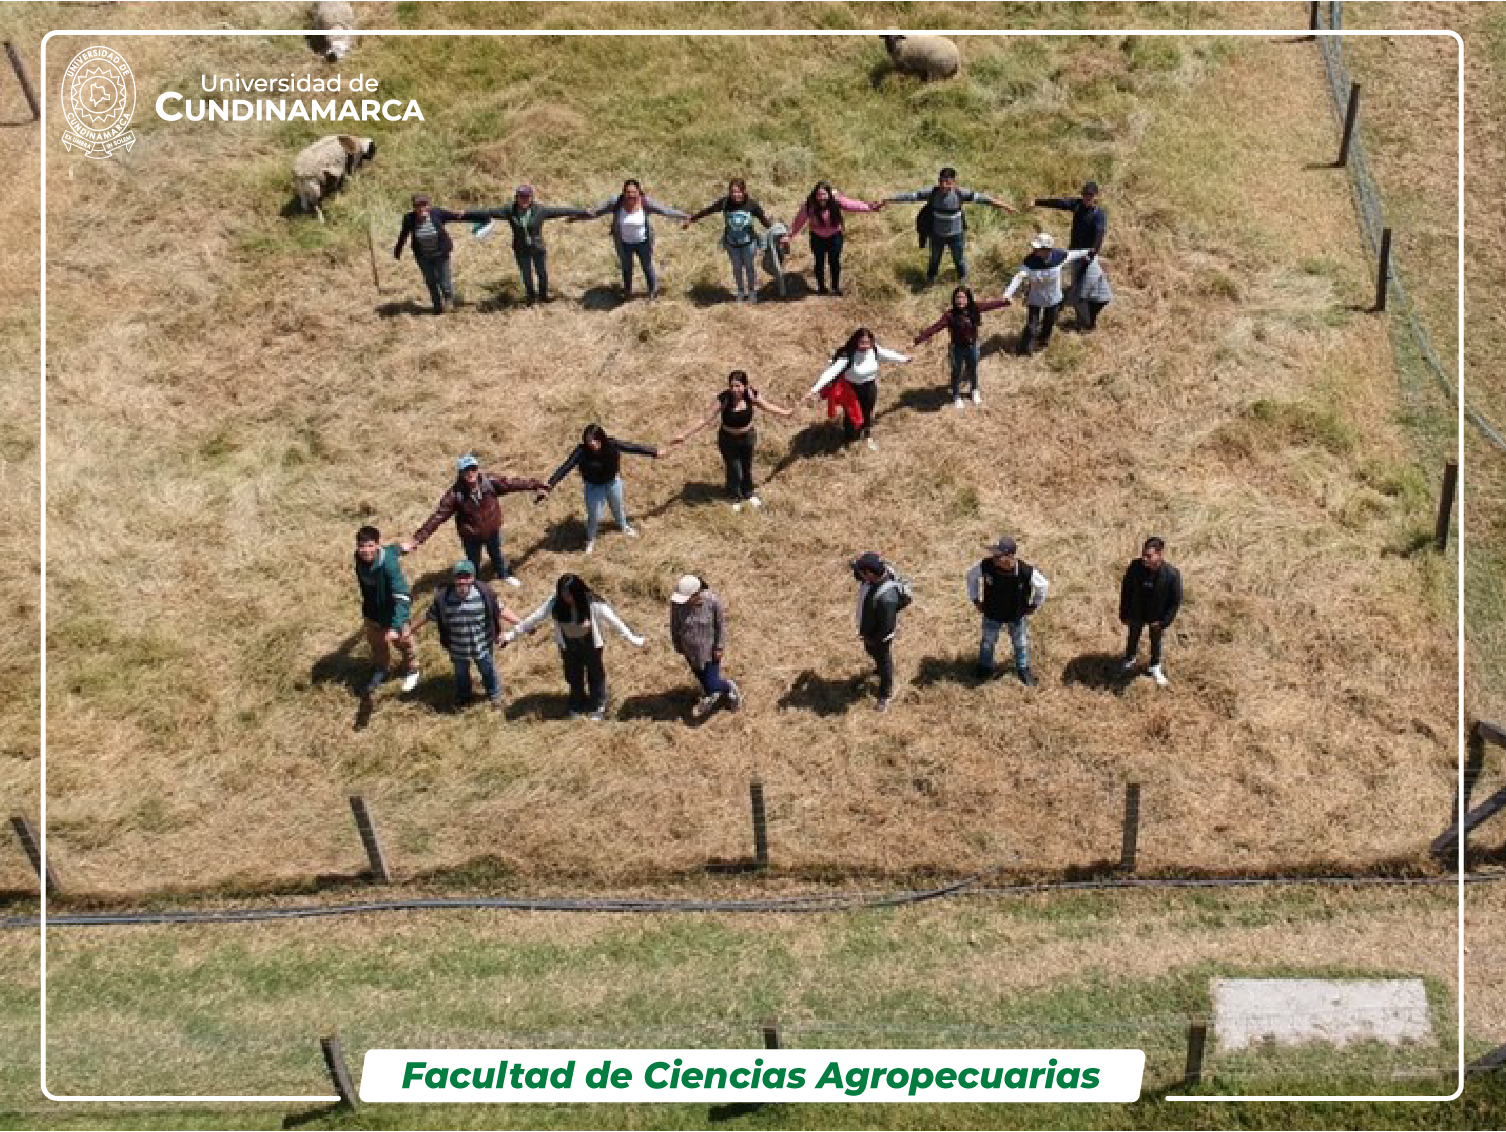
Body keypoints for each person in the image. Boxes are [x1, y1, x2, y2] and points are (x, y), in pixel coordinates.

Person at [504, 574, 645, 720]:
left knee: (595, 676)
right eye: (562, 593)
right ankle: (577, 703)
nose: (565, 597)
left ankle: (597, 706)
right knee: (573, 676)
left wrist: (633, 639)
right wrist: (511, 635)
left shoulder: (594, 604)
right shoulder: (555, 604)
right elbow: (533, 619)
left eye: (568, 594)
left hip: (591, 646)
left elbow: (615, 622)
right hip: (568, 647)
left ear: (577, 592)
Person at [403, 454, 551, 587]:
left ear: (478, 469)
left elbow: (513, 483)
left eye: (473, 469)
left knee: (497, 555)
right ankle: (476, 584)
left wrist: (537, 485)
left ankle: (505, 575)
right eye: (466, 470)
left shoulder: (490, 482)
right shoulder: (455, 495)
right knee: (473, 562)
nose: (470, 473)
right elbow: (437, 517)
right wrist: (417, 540)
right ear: (460, 473)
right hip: (471, 536)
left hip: (492, 530)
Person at [667, 370, 794, 511]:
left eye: (738, 386)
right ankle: (734, 496)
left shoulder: (750, 395)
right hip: (728, 440)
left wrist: (786, 413)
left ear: (745, 386)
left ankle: (748, 493)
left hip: (748, 438)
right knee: (735, 470)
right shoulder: (724, 399)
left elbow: (768, 406)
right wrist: (684, 435)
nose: (734, 390)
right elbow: (705, 419)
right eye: (732, 386)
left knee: (746, 467)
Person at [413, 559, 518, 710]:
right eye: (458, 577)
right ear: (453, 578)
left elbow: (501, 610)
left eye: (466, 577)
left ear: (473, 578)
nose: (462, 581)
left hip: (482, 645)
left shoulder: (485, 594)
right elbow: (427, 616)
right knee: (461, 675)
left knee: (488, 670)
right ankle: (464, 697)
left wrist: (521, 624)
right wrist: (410, 630)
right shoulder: (443, 599)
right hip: (457, 648)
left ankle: (495, 695)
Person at [885, 166, 1016, 285]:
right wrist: (888, 200)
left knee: (959, 260)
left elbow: (985, 199)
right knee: (934, 259)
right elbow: (909, 197)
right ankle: (930, 281)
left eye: (947, 182)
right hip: (937, 235)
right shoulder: (932, 193)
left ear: (954, 182)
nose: (943, 185)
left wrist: (1005, 206)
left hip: (956, 236)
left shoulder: (960, 194)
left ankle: (963, 281)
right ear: (938, 180)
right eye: (941, 181)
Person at [546, 424, 659, 553]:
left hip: (613, 482)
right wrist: (550, 485)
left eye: (595, 439)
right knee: (594, 515)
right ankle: (591, 538)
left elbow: (633, 447)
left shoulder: (611, 444)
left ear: (602, 438)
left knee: (618, 507)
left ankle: (623, 526)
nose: (592, 444)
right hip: (594, 486)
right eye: (589, 441)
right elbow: (565, 467)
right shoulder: (581, 452)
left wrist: (654, 452)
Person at [472, 184, 590, 303]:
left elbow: (562, 211)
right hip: (520, 249)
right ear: (516, 197)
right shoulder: (509, 210)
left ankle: (543, 297)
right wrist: (464, 213)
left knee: (542, 273)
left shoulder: (540, 210)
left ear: (531, 197)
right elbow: (488, 212)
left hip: (537, 248)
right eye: (521, 196)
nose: (524, 199)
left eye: (527, 196)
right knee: (526, 275)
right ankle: (530, 297)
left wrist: (583, 211)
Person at [573, 178, 689, 299]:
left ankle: (653, 292)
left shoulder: (645, 202)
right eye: (628, 192)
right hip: (624, 243)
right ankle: (627, 292)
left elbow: (665, 210)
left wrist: (684, 216)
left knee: (647, 266)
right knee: (626, 267)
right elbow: (595, 212)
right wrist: (577, 217)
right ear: (623, 192)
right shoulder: (616, 202)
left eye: (634, 192)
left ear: (639, 192)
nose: (631, 195)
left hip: (643, 242)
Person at [805, 327, 911, 450]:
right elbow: (831, 372)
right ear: (856, 342)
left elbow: (889, 355)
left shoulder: (874, 349)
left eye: (868, 342)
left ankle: (866, 436)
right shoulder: (848, 355)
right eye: (862, 343)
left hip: (869, 388)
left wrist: (904, 359)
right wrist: (815, 389)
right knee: (850, 415)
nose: (865, 346)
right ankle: (848, 438)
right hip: (850, 390)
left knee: (867, 413)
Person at [965, 537, 1049, 686]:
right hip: (992, 613)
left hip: (1015, 615)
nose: (994, 559)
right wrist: (976, 600)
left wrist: (1035, 605)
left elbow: (1043, 586)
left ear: (1010, 557)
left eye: (997, 556)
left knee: (1021, 643)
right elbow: (970, 577)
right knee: (987, 641)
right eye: (993, 555)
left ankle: (1023, 669)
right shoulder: (986, 566)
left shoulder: (1025, 572)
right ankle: (985, 667)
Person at [913, 286, 1012, 409]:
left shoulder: (974, 309)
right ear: (954, 299)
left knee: (972, 370)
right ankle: (956, 395)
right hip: (957, 349)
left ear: (968, 299)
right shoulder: (950, 315)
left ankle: (974, 390)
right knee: (956, 372)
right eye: (957, 297)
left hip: (973, 347)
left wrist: (1005, 302)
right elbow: (935, 328)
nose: (960, 300)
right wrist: (917, 340)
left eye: (963, 297)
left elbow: (990, 305)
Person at [683, 178, 775, 302]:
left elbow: (763, 220)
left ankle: (752, 291)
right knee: (736, 268)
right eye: (732, 191)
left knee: (749, 267)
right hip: (731, 243)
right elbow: (709, 210)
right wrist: (692, 218)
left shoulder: (752, 204)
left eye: (738, 192)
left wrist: (775, 230)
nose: (735, 194)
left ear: (744, 191)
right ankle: (741, 291)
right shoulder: (725, 203)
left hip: (749, 243)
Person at [353, 525, 419, 696]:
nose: (366, 550)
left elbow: (403, 597)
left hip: (393, 614)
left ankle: (412, 670)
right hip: (372, 614)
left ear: (377, 545)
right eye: (362, 546)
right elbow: (389, 549)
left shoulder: (389, 565)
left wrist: (396, 626)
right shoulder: (359, 559)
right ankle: (382, 669)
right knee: (377, 645)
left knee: (404, 644)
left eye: (370, 546)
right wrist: (399, 548)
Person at [1001, 232, 1093, 355]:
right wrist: (1008, 294)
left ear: (1047, 250)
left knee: (1049, 323)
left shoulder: (1059, 256)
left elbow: (1074, 254)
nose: (1034, 250)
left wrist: (1089, 251)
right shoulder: (1030, 261)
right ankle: (1024, 350)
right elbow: (1019, 277)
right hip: (1035, 298)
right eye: (1034, 247)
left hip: (1053, 298)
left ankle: (1043, 343)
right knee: (1031, 326)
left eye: (1037, 248)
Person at [784, 180, 882, 296]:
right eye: (819, 195)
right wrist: (789, 236)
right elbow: (799, 221)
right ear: (815, 195)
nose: (821, 198)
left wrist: (870, 207)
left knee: (834, 262)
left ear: (829, 194)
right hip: (817, 238)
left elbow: (853, 205)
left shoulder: (836, 200)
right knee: (819, 263)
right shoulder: (809, 205)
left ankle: (835, 288)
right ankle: (821, 288)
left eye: (824, 194)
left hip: (835, 237)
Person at [1032, 180, 1107, 328]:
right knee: (1078, 289)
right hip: (1074, 254)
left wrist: (1090, 256)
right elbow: (1060, 203)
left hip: (1088, 256)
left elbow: (1098, 237)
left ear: (1096, 196)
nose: (1086, 198)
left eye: (1090, 195)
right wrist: (1037, 202)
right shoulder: (1077, 205)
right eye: (1085, 194)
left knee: (1089, 292)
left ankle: (1085, 319)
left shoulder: (1098, 215)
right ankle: (1082, 322)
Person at [393, 193, 481, 314]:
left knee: (444, 280)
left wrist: (480, 217)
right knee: (431, 281)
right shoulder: (409, 218)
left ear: (429, 205)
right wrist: (398, 250)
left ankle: (449, 302)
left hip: (441, 254)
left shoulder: (437, 213)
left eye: (424, 204)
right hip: (423, 256)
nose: (421, 208)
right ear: (414, 207)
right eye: (418, 205)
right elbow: (403, 234)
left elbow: (457, 216)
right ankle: (437, 307)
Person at [669, 574, 742, 719]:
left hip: (709, 651)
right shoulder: (677, 604)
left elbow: (720, 626)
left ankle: (729, 688)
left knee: (713, 683)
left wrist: (719, 647)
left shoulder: (712, 602)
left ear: (697, 594)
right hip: (689, 650)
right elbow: (675, 625)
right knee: (701, 677)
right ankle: (709, 693)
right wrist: (678, 645)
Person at [1118, 537, 1183, 687]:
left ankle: (1154, 666)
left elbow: (1175, 601)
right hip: (1136, 612)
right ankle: (1130, 659)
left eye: (1148, 556)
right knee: (1133, 636)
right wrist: (1124, 612)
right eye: (1143, 554)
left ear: (1159, 555)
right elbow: (1126, 590)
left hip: (1157, 617)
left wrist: (1163, 622)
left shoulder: (1172, 575)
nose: (1144, 558)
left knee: (1156, 642)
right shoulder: (1135, 567)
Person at [852, 551, 910, 711]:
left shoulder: (887, 598)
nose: (859, 574)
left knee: (884, 661)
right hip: (869, 632)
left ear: (870, 574)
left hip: (880, 638)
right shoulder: (875, 575)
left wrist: (873, 640)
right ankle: (878, 666)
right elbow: (858, 574)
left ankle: (885, 694)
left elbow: (887, 628)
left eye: (862, 571)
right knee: (871, 652)